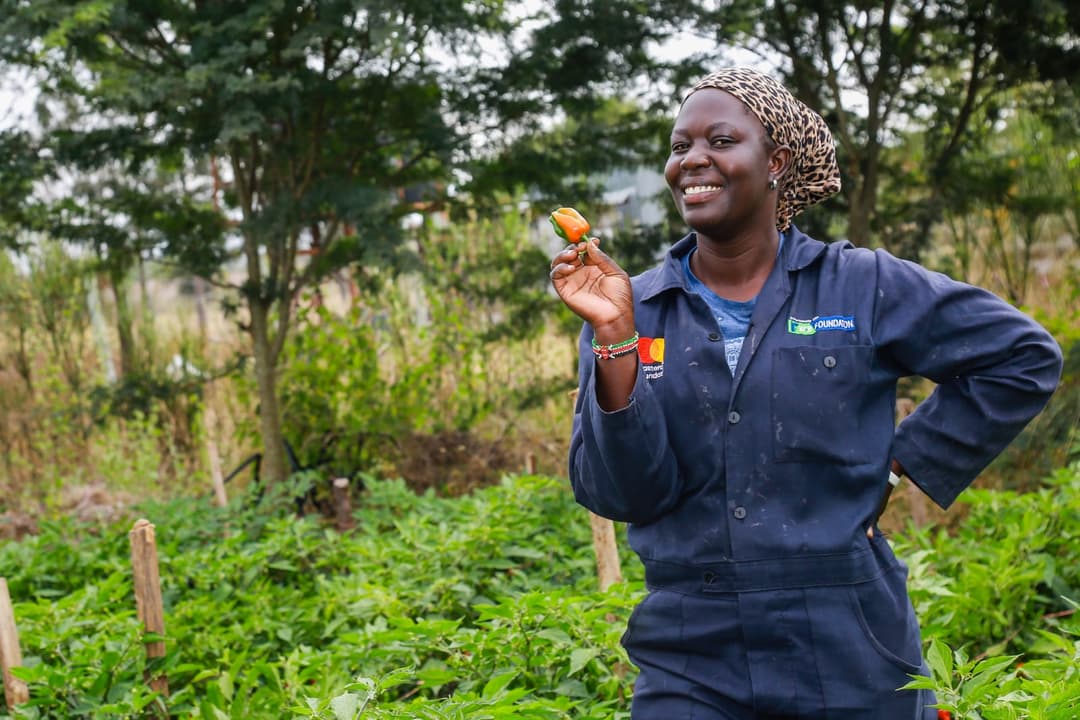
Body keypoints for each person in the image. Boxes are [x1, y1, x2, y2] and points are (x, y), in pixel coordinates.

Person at [548, 66, 1063, 719]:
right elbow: (622, 495)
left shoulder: (860, 285)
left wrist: (902, 462)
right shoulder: (631, 308)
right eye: (680, 146)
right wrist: (616, 338)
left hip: (849, 642)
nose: (693, 159)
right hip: (691, 654)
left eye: (721, 140)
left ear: (777, 163)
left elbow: (1021, 356)